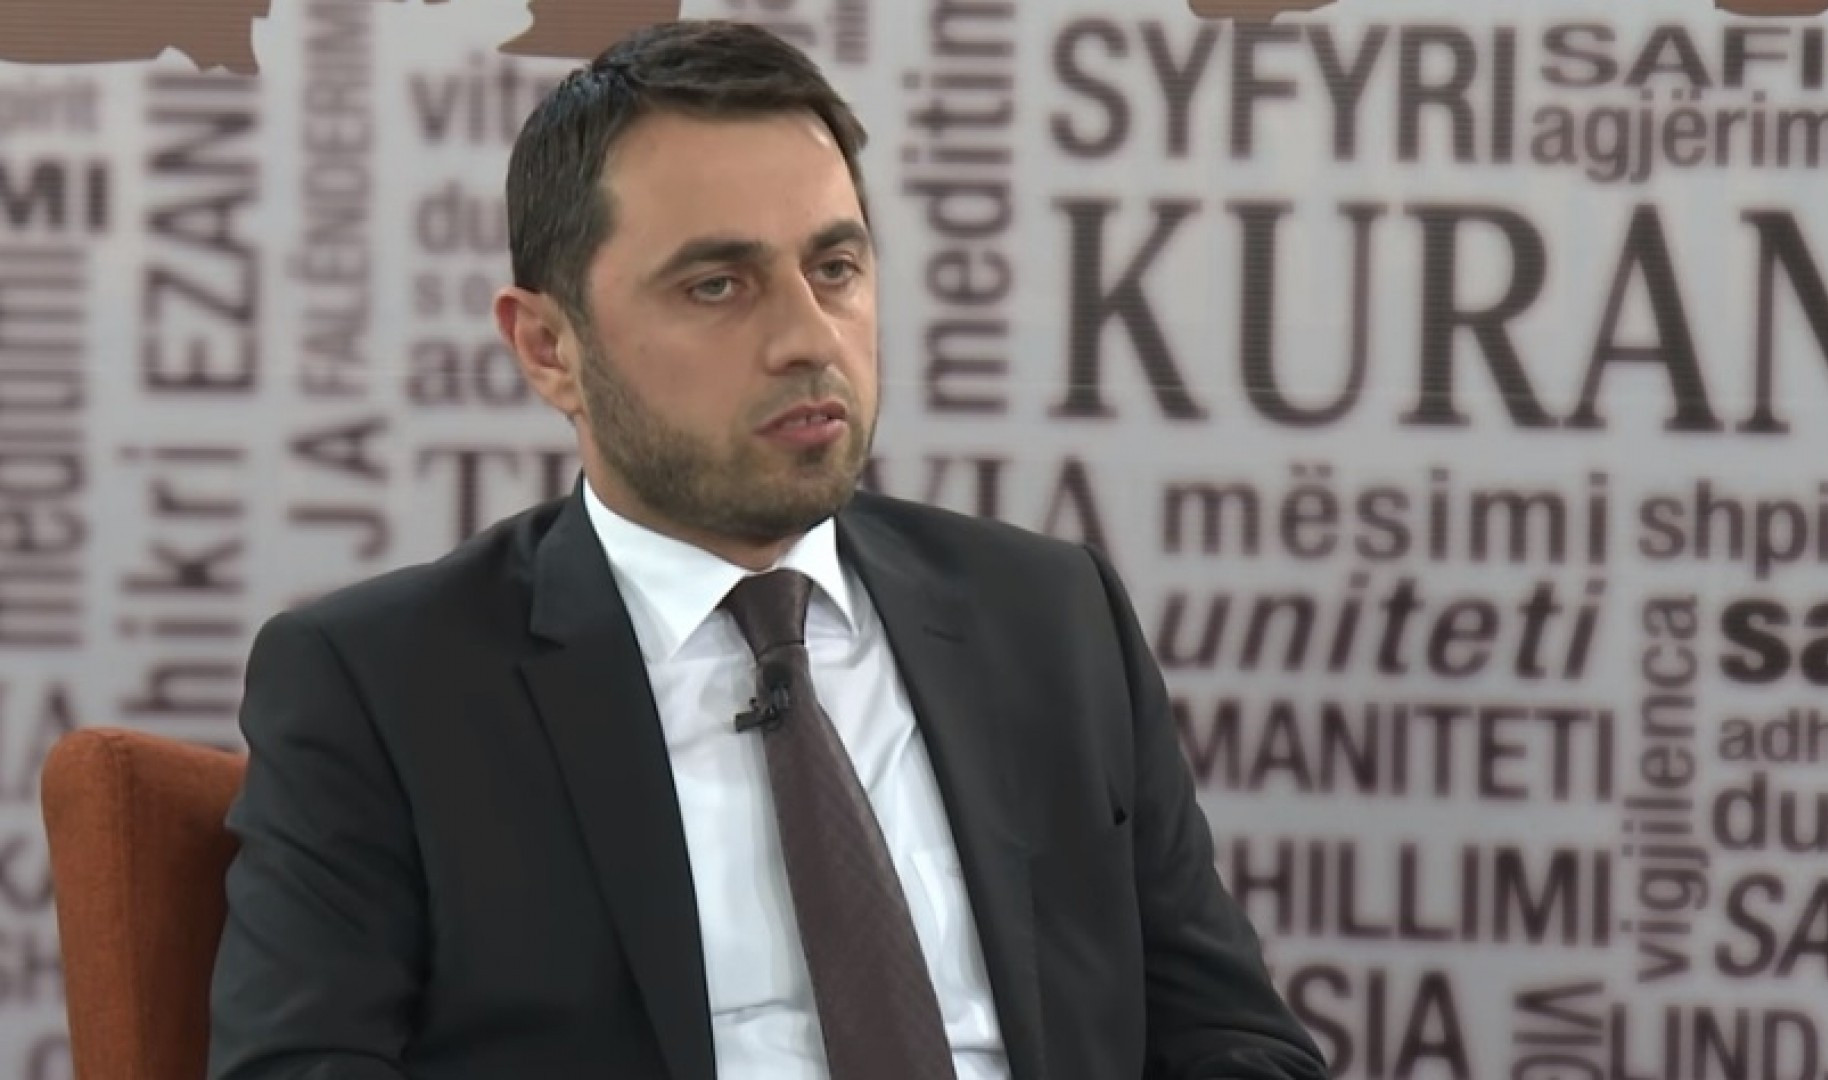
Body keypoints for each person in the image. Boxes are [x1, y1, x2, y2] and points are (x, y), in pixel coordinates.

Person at [207, 19, 1328, 1080]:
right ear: (548, 347)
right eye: (718, 285)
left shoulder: (1049, 618)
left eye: (835, 268)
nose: (807, 338)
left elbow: (1232, 1039)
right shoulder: (385, 686)